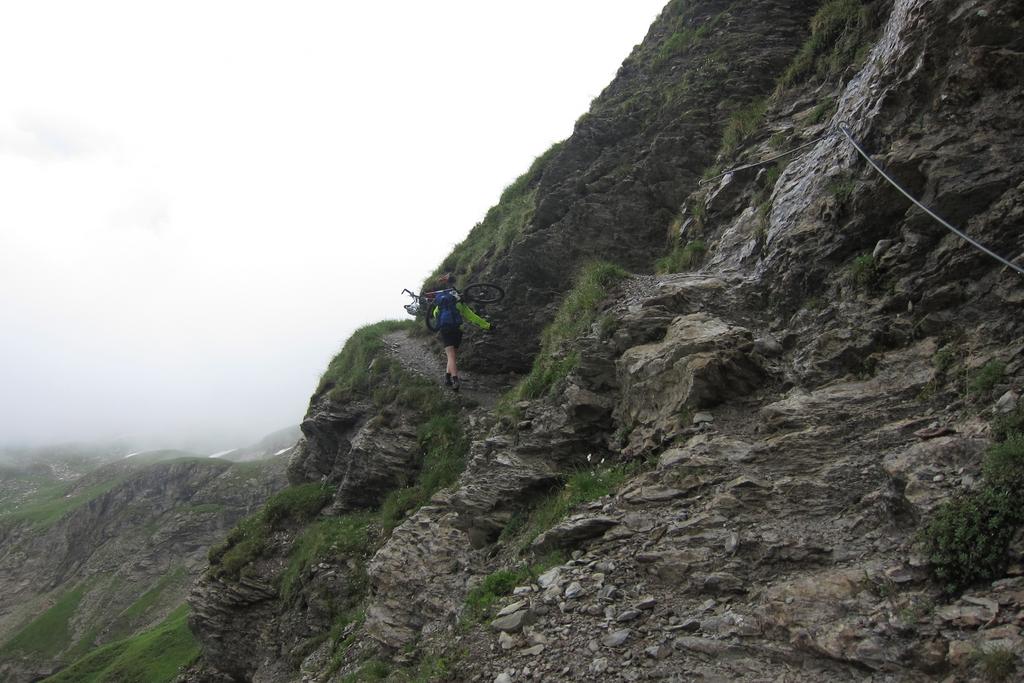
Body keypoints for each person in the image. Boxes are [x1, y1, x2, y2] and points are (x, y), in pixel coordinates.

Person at [432, 273, 491, 391]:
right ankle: (447, 378)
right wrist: (488, 326)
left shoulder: (442, 304)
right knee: (453, 356)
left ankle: (455, 380)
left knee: (451, 356)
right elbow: (472, 317)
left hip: (446, 330)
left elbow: (435, 314)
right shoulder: (460, 303)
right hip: (457, 330)